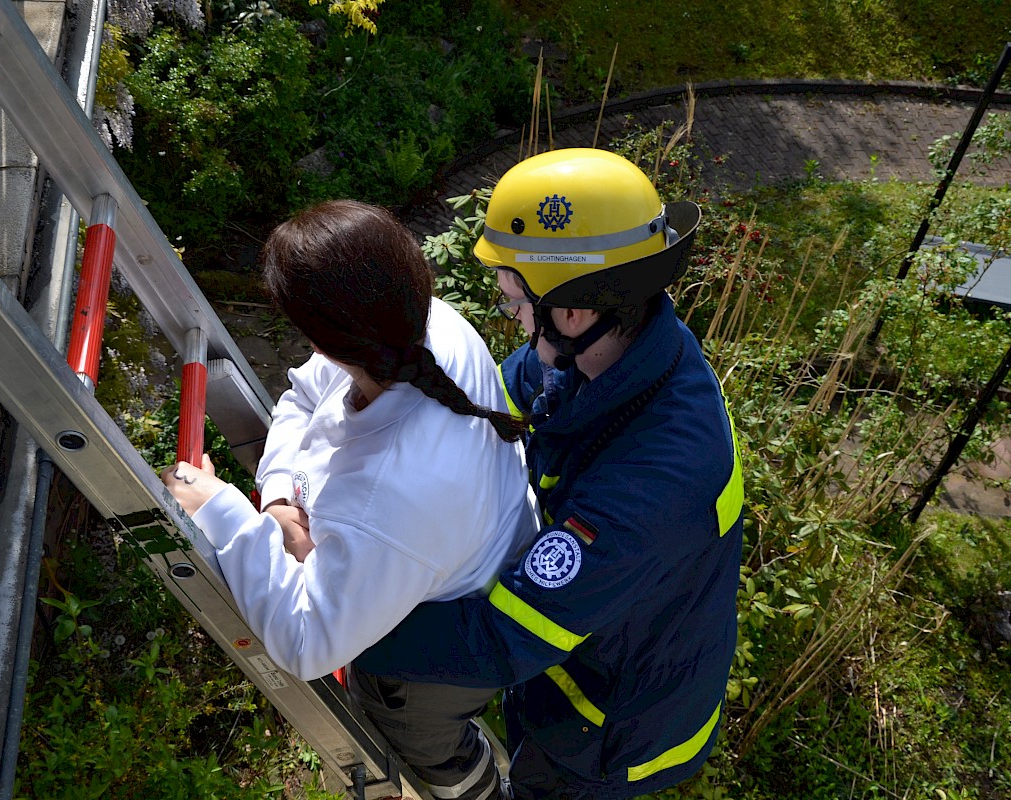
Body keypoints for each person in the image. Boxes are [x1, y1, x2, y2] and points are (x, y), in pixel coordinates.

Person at [353, 148, 745, 799]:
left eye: (513, 304)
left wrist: (328, 621)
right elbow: (496, 414)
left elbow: (503, 639)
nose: (512, 319)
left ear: (572, 311)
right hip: (577, 656)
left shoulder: (660, 476)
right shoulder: (591, 358)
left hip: (609, 731)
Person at [161, 200, 536, 800]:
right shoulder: (428, 326)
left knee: (408, 726)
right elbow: (304, 397)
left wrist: (220, 510)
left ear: (323, 336)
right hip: (466, 551)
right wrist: (279, 498)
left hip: (451, 640)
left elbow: (309, 642)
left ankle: (478, 788)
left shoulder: (391, 492)